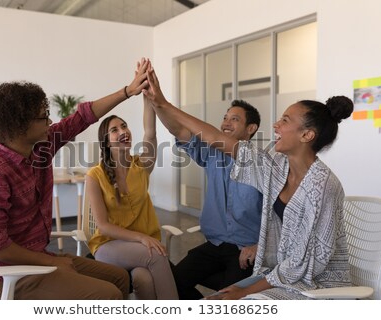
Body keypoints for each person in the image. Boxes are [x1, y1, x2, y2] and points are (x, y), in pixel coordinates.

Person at [143, 68, 353, 300]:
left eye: (285, 120)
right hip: (281, 272)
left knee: (234, 298)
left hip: (315, 285)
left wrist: (247, 289)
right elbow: (212, 136)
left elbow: (305, 263)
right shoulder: (276, 167)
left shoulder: (323, 186)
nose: (276, 125)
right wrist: (160, 103)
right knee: (208, 294)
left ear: (307, 135)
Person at [0, 58, 150, 300]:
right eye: (43, 117)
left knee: (121, 278)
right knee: (109, 294)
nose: (49, 122)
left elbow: (82, 117)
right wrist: (48, 261)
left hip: (40, 259)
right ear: (20, 126)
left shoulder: (39, 148)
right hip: (7, 277)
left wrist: (128, 91)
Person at [153, 95, 263, 299]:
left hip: (245, 249)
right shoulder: (213, 154)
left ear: (251, 128)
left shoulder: (260, 162)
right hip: (215, 244)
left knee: (229, 296)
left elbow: (278, 216)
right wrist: (155, 102)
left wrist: (259, 246)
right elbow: (178, 130)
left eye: (234, 119)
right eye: (225, 118)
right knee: (172, 284)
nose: (226, 123)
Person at [85, 68, 178, 299]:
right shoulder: (95, 176)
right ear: (106, 142)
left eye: (124, 126)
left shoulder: (141, 165)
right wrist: (142, 238)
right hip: (108, 246)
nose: (122, 131)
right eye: (114, 130)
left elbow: (150, 132)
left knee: (142, 278)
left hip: (140, 246)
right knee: (157, 256)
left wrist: (148, 94)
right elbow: (103, 226)